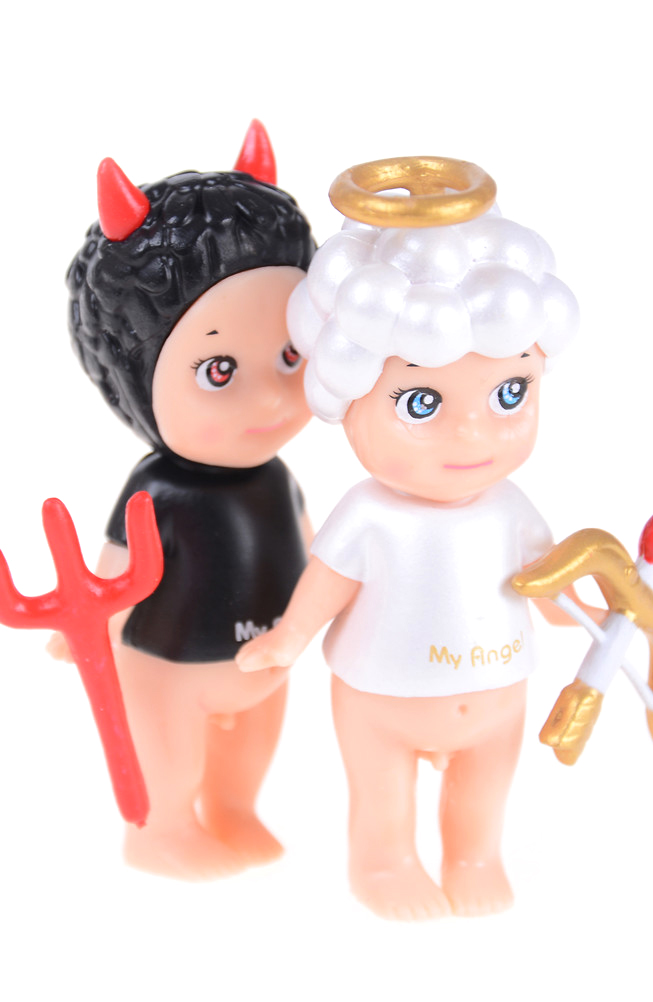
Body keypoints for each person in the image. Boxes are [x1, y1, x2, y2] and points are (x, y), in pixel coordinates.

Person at [238, 157, 602, 918]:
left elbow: (545, 579)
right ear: (350, 396)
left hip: (498, 692)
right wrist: (289, 638)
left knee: (486, 787)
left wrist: (593, 616)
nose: (473, 432)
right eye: (422, 403)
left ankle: (475, 856)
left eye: (510, 392)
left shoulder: (509, 507)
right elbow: (330, 578)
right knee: (382, 794)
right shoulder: (371, 513)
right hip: (381, 696)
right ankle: (383, 864)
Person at [55, 123, 317, 879]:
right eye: (219, 369)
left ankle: (235, 807)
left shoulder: (278, 479)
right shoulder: (157, 490)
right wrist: (89, 622)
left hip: (267, 655)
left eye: (290, 355)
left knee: (254, 739)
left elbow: (312, 544)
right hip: (168, 662)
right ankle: (162, 830)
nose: (270, 397)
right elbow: (118, 567)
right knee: (168, 752)